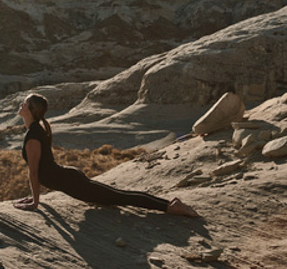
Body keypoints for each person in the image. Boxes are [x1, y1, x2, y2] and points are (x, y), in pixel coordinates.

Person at [13, 93, 199, 217]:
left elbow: (34, 172)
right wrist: (33, 198)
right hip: (69, 179)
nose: (20, 105)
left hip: (71, 182)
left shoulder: (33, 136)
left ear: (30, 110)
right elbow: (40, 171)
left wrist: (35, 203)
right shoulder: (35, 130)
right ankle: (170, 204)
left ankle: (170, 207)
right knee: (119, 195)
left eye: (24, 103)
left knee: (120, 197)